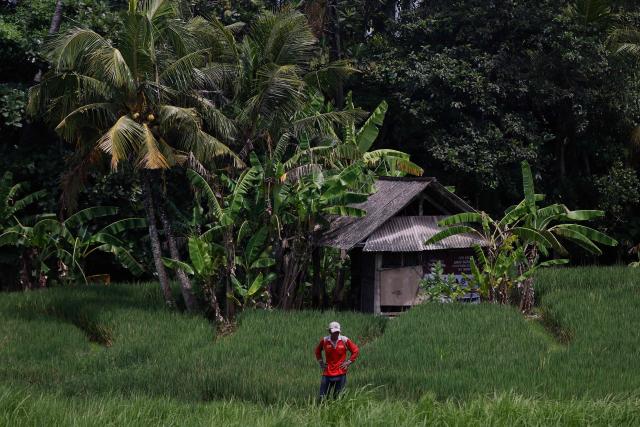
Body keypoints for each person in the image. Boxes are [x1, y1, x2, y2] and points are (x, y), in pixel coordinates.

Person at [314, 321, 359, 401]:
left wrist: (348, 362)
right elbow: (317, 351)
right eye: (334, 332)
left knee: (338, 398)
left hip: (341, 373)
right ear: (329, 331)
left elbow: (355, 350)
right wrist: (321, 362)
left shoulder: (344, 340)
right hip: (327, 373)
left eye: (337, 332)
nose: (336, 334)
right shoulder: (325, 341)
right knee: (322, 397)